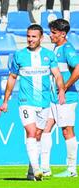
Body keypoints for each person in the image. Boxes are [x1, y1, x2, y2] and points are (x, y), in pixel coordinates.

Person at [0, 24, 65, 181]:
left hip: (44, 102)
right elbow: (12, 78)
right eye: (28, 36)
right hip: (25, 101)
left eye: (34, 36)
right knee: (31, 132)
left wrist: (61, 90)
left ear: (41, 38)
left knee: (38, 135)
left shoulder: (49, 55)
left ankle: (30, 172)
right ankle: (37, 168)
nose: (30, 39)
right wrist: (5, 101)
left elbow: (57, 75)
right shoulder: (19, 55)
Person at [40, 19, 79, 177]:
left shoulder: (68, 49)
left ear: (63, 34)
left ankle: (71, 169)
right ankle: (44, 168)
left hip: (66, 98)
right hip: (53, 98)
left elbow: (77, 69)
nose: (51, 35)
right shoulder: (57, 48)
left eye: (54, 33)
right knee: (45, 128)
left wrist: (64, 86)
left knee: (67, 131)